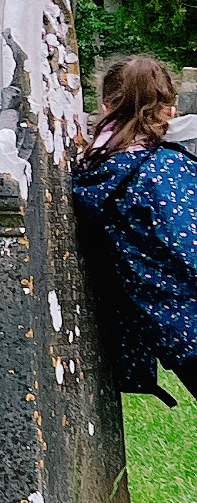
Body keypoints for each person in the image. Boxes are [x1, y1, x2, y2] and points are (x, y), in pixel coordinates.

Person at [71, 54, 197, 403]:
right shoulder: (164, 169)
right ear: (169, 109)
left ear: (107, 105)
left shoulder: (93, 171)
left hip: (172, 330)